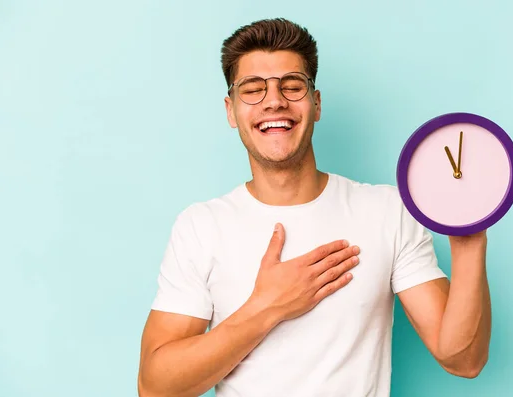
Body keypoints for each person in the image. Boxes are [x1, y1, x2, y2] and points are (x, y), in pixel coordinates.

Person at [137, 18, 491, 397]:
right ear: (231, 110)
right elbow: (155, 388)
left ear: (316, 103)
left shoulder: (388, 211)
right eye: (253, 90)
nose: (274, 101)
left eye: (292, 86)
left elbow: (463, 359)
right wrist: (266, 307)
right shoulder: (201, 226)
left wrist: (468, 238)